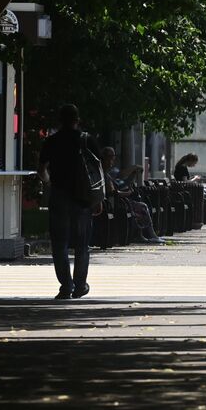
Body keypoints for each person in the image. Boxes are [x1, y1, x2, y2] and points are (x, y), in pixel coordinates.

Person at [38, 104, 101, 299]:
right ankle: (80, 285)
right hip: (83, 198)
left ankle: (66, 285)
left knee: (59, 243)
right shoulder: (87, 140)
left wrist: (49, 182)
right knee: (82, 245)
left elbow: (42, 170)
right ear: (77, 119)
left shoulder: (52, 141)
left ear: (60, 120)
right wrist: (98, 199)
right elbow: (97, 171)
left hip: (59, 196)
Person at [101, 146, 165, 245]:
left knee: (141, 204)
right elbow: (113, 193)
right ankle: (151, 235)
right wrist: (128, 193)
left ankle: (142, 235)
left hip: (118, 201)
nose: (112, 160)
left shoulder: (108, 173)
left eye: (113, 157)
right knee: (142, 206)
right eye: (110, 157)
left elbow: (120, 185)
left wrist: (132, 177)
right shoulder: (105, 173)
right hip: (115, 204)